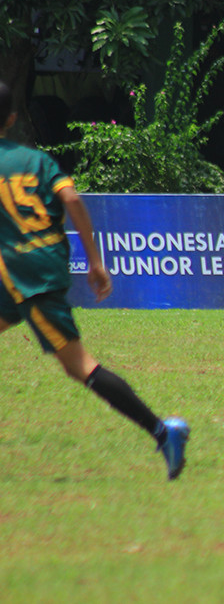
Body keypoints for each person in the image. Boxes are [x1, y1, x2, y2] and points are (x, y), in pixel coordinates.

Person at [0, 80, 189, 480]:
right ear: (12, 119)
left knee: (80, 366)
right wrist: (96, 262)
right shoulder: (37, 161)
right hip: (35, 269)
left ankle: (162, 431)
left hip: (25, 277)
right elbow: (71, 199)